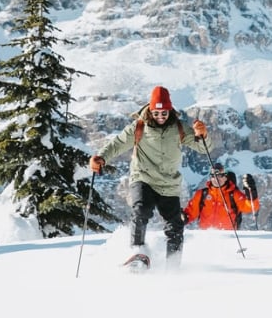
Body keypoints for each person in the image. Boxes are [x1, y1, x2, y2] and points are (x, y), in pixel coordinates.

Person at [90, 86, 212, 265]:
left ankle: (173, 265)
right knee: (141, 210)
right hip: (143, 177)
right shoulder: (139, 126)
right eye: (156, 113)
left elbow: (203, 148)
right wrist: (101, 157)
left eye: (164, 113)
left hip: (169, 183)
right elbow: (118, 144)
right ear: (151, 110)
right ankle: (137, 253)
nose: (160, 116)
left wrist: (203, 135)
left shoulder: (179, 127)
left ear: (169, 110)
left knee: (175, 226)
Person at [184, 162, 257, 231]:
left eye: (220, 176)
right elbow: (190, 213)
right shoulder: (202, 194)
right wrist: (182, 217)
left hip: (229, 236)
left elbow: (250, 207)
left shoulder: (233, 194)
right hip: (205, 236)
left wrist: (251, 193)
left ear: (226, 177)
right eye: (213, 176)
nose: (216, 179)